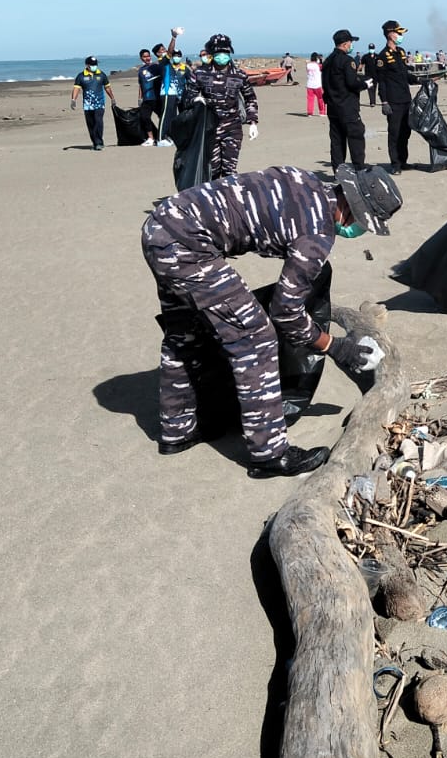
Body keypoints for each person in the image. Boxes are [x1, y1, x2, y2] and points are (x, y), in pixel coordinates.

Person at [142, 164, 402, 477]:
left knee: (183, 334)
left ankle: (178, 429)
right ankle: (269, 453)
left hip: (161, 225)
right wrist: (335, 346)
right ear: (353, 210)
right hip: (188, 247)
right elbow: (285, 312)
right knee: (256, 339)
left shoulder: (305, 180)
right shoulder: (316, 234)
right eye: (364, 223)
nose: (359, 230)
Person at [182, 34, 259, 179]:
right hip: (209, 128)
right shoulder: (200, 73)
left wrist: (253, 122)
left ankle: (231, 193)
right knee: (213, 171)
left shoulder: (239, 75)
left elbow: (250, 98)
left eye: (225, 52)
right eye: (218, 52)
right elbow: (187, 99)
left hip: (232, 128)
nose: (222, 56)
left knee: (230, 170)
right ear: (212, 54)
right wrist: (196, 100)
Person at [374, 20, 417, 173]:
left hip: (406, 99)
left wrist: (420, 80)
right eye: (398, 33)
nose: (400, 36)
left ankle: (403, 161)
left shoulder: (401, 52)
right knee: (394, 133)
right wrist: (384, 101)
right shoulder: (382, 57)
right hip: (393, 101)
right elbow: (381, 82)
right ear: (390, 34)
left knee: (406, 132)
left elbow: (405, 74)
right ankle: (395, 164)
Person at [322, 29, 366, 168]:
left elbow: (325, 83)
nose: (351, 45)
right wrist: (365, 84)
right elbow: (352, 82)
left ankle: (338, 170)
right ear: (345, 44)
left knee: (337, 140)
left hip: (332, 106)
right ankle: (359, 169)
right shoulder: (347, 60)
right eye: (350, 43)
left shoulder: (328, 60)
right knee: (355, 136)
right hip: (347, 106)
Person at [70, 56, 115, 150]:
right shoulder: (81, 76)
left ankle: (99, 143)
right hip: (87, 105)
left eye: (96, 64)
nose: (94, 66)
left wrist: (112, 98)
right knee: (91, 124)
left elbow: (107, 87)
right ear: (87, 65)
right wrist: (73, 100)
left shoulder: (101, 75)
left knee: (98, 121)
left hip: (99, 103)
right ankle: (95, 143)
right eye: (92, 64)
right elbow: (76, 88)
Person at [304, 53, 326, 117]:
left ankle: (310, 113)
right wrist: (320, 60)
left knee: (310, 99)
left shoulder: (308, 65)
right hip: (317, 85)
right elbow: (323, 67)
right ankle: (322, 112)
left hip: (309, 84)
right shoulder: (318, 65)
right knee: (320, 99)